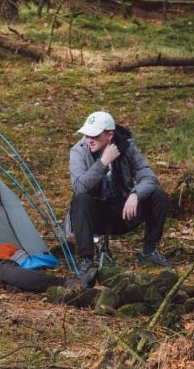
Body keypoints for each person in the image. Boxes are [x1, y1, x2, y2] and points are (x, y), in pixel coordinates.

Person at [69, 111, 171, 270]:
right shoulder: (79, 151)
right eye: (87, 134)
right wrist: (103, 162)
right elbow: (80, 187)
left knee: (159, 196)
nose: (89, 139)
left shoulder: (126, 147)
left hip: (122, 211)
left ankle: (149, 253)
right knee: (80, 199)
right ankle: (87, 260)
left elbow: (149, 177)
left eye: (95, 135)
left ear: (110, 135)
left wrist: (135, 194)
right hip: (94, 214)